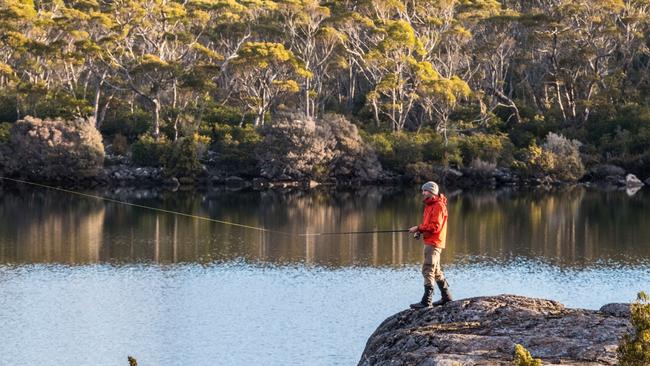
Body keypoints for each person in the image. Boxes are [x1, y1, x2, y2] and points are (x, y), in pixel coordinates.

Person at [408, 181, 453, 309]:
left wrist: (418, 228)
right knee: (436, 270)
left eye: (425, 191)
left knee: (428, 269)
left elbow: (435, 226)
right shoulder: (430, 205)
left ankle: (426, 301)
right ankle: (446, 297)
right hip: (431, 241)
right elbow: (429, 225)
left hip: (434, 242)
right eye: (423, 191)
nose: (423, 193)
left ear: (432, 192)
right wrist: (419, 231)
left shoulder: (438, 206)